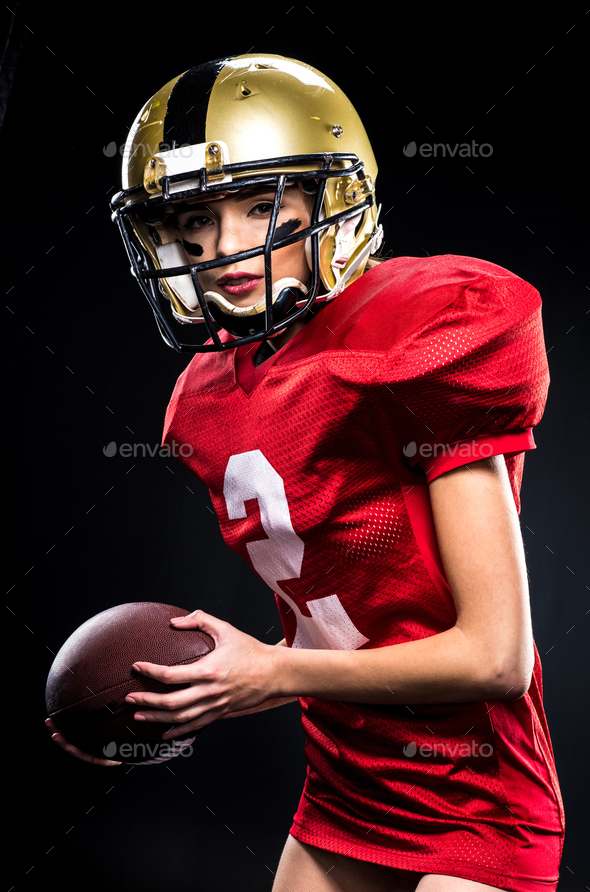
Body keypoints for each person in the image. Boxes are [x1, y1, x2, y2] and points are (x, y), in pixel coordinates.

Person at [47, 54, 565, 891]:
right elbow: (329, 610)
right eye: (195, 225)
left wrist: (269, 674)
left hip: (476, 798)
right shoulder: (204, 403)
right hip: (344, 783)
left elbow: (494, 657)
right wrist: (139, 692)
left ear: (337, 198)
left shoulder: (419, 335)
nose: (225, 248)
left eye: (260, 206)